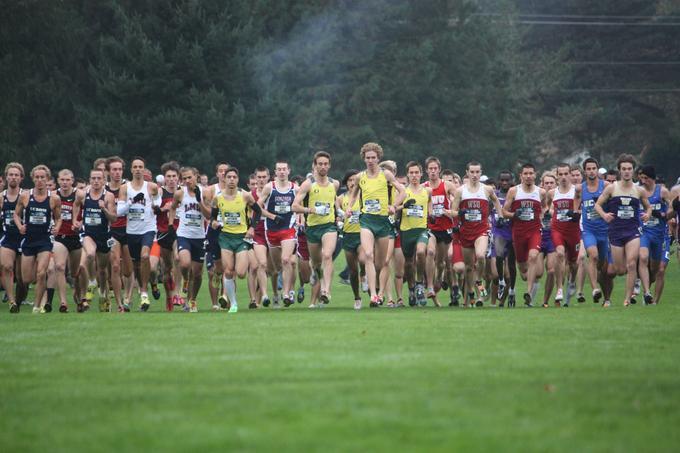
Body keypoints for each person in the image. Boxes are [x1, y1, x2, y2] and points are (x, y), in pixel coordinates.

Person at [346, 142, 405, 307]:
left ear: (378, 158)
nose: (370, 160)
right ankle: (373, 295)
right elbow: (354, 194)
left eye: (373, 158)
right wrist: (350, 207)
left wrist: (393, 206)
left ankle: (379, 291)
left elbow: (403, 192)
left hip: (383, 222)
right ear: (364, 159)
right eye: (367, 158)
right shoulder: (360, 177)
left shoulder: (386, 175)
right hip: (366, 220)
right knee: (368, 255)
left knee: (382, 263)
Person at [594, 154, 652, 307]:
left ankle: (627, 299)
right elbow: (597, 205)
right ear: (620, 171)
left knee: (632, 264)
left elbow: (649, 206)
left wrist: (647, 215)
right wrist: (604, 215)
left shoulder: (639, 190)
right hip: (615, 232)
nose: (627, 171)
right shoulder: (612, 188)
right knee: (619, 270)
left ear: (633, 171)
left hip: (632, 231)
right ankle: (629, 277)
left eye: (629, 169)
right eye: (624, 169)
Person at [451, 161, 503, 307]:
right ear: (467, 172)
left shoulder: (486, 189)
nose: (474, 175)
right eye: (472, 172)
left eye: (477, 172)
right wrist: (459, 214)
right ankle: (469, 294)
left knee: (480, 256)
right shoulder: (461, 191)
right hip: (466, 232)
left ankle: (479, 280)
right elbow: (453, 212)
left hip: (482, 230)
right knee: (468, 267)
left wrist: (500, 217)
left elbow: (497, 202)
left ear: (481, 173)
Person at [212, 167, 262, 313]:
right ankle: (233, 303)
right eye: (229, 177)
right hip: (226, 237)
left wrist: (252, 227)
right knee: (228, 271)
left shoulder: (245, 196)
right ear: (224, 179)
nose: (232, 180)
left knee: (240, 273)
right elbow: (213, 217)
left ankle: (234, 299)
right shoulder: (218, 198)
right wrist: (214, 222)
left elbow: (257, 211)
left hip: (242, 238)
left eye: (234, 177)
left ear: (238, 179)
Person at [292, 151, 339, 305]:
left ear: (329, 165)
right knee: (317, 263)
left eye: (326, 164)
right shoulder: (308, 184)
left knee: (327, 255)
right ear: (315, 165)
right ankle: (315, 272)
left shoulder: (335, 183)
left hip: (329, 226)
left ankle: (326, 290)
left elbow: (334, 202)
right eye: (320, 164)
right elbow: (294, 206)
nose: (323, 167)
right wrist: (309, 210)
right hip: (312, 228)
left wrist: (340, 212)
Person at [14, 165, 62, 313]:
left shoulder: (54, 198)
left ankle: (36, 306)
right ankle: (22, 299)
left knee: (41, 273)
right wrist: (20, 226)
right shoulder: (25, 196)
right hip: (28, 241)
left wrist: (57, 228)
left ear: (47, 179)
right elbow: (16, 214)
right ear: (33, 178)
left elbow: (58, 218)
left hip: (44, 241)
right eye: (37, 177)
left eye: (43, 177)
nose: (40, 180)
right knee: (26, 279)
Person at [116, 157, 161, 311]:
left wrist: (156, 206)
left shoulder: (152, 187)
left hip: (147, 229)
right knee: (135, 265)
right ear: (131, 169)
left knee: (145, 256)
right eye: (135, 167)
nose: (137, 169)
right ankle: (141, 289)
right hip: (131, 230)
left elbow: (158, 204)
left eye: (140, 166)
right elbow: (119, 211)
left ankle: (143, 291)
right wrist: (132, 201)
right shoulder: (125, 188)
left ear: (144, 169)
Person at [73, 168, 118, 311]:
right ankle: (89, 286)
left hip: (104, 235)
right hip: (88, 234)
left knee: (103, 270)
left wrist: (104, 209)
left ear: (104, 180)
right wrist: (76, 220)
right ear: (89, 180)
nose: (96, 181)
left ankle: (103, 295)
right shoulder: (82, 194)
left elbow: (114, 218)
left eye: (99, 178)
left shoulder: (108, 196)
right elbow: (76, 205)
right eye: (93, 178)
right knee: (90, 254)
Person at [503, 163, 547, 307]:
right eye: (525, 173)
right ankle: (529, 283)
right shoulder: (513, 191)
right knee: (523, 270)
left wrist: (542, 215)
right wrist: (514, 215)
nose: (528, 176)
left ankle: (528, 293)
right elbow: (504, 212)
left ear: (535, 175)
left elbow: (544, 207)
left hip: (534, 231)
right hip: (518, 233)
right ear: (521, 176)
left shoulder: (541, 192)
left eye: (531, 173)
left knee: (533, 257)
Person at [170, 167, 212, 312]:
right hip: (183, 234)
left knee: (198, 273)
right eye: (185, 178)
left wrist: (199, 200)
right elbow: (173, 208)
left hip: (199, 236)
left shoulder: (205, 192)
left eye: (190, 177)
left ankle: (192, 300)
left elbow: (208, 216)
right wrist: (170, 224)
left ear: (196, 176)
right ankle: (185, 281)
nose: (187, 181)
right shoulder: (180, 193)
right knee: (185, 264)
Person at [259, 160, 298, 307]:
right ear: (275, 172)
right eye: (279, 169)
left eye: (284, 169)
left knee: (286, 260)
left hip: (288, 228)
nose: (282, 172)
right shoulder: (270, 187)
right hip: (272, 230)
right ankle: (279, 291)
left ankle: (286, 293)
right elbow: (258, 207)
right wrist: (272, 216)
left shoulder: (295, 188)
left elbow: (301, 203)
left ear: (289, 171)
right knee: (276, 267)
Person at [423, 156, 459, 305]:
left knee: (442, 262)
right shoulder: (423, 187)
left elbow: (459, 198)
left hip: (445, 228)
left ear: (439, 169)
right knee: (430, 252)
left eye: (435, 169)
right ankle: (430, 286)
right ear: (426, 171)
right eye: (430, 169)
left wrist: (451, 210)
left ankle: (439, 280)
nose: (433, 171)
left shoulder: (447, 185)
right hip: (430, 228)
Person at [637, 165, 674, 305]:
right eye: (641, 178)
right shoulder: (638, 192)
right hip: (645, 233)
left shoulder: (663, 192)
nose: (643, 181)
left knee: (659, 269)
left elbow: (672, 211)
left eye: (646, 178)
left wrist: (663, 214)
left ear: (652, 178)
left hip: (661, 235)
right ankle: (647, 293)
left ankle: (655, 302)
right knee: (643, 257)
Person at [546, 163, 582, 306]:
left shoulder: (577, 190)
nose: (563, 177)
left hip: (573, 230)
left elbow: (584, 208)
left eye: (565, 174)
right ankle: (560, 288)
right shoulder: (552, 193)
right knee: (560, 254)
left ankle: (572, 281)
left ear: (570, 174)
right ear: (557, 176)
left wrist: (576, 213)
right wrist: (550, 212)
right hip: (557, 229)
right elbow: (548, 207)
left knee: (573, 263)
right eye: (560, 174)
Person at [397, 161, 432, 306]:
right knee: (409, 263)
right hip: (406, 230)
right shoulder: (403, 191)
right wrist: (403, 206)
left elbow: (429, 205)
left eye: (416, 172)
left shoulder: (427, 191)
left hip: (421, 230)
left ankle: (419, 284)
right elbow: (393, 208)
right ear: (407, 174)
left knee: (421, 253)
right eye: (411, 173)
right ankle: (411, 289)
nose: (414, 175)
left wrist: (431, 214)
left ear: (421, 174)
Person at [580, 157, 611, 305]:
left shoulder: (606, 186)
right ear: (584, 171)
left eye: (594, 168)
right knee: (593, 256)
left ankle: (607, 298)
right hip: (589, 230)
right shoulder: (580, 188)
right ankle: (594, 289)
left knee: (603, 269)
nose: (591, 171)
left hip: (604, 231)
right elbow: (574, 203)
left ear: (597, 170)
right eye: (588, 169)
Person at [53, 169, 83, 312]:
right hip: (60, 237)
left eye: (68, 180)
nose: (65, 183)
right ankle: (63, 302)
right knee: (59, 266)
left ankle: (78, 296)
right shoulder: (53, 196)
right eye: (62, 180)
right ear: (58, 181)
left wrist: (80, 223)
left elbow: (89, 212)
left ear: (72, 181)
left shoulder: (79, 195)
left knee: (75, 273)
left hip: (76, 237)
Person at [106, 156, 134, 309]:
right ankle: (119, 303)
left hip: (129, 230)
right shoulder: (104, 189)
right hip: (112, 231)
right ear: (108, 172)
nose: (117, 172)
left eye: (119, 169)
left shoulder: (129, 187)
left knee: (128, 270)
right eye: (114, 170)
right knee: (115, 265)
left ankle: (128, 296)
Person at [202, 162, 230, 309]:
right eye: (221, 171)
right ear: (217, 174)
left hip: (229, 231)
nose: (224, 174)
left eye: (226, 171)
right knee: (213, 271)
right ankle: (214, 304)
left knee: (228, 268)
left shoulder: (237, 192)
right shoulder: (210, 191)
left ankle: (225, 298)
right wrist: (212, 220)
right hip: (213, 232)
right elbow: (206, 212)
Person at [1, 163, 27, 313]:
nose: (13, 177)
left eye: (16, 175)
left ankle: (19, 300)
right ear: (6, 177)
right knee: (6, 267)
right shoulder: (1, 197)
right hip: (8, 237)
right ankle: (11, 301)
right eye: (11, 174)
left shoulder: (26, 195)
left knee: (22, 277)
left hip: (24, 238)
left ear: (21, 178)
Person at [336, 170, 364, 309]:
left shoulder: (364, 195)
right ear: (346, 183)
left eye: (355, 180)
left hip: (362, 234)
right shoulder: (341, 199)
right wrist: (339, 221)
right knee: (353, 271)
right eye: (350, 181)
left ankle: (364, 276)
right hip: (348, 235)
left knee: (364, 259)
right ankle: (357, 297)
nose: (353, 183)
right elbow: (338, 216)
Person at [156, 161, 181, 311]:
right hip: (163, 231)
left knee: (178, 258)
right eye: (168, 176)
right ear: (164, 178)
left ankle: (177, 292)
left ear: (178, 178)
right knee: (166, 269)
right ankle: (169, 296)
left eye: (174, 176)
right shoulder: (160, 192)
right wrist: (161, 209)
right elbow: (152, 209)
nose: (171, 179)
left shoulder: (182, 192)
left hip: (179, 231)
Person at [492, 170, 517, 307]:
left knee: (512, 265)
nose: (504, 183)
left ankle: (512, 291)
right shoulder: (494, 195)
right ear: (498, 180)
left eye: (507, 180)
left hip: (512, 231)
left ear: (511, 180)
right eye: (502, 180)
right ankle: (501, 281)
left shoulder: (515, 194)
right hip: (499, 230)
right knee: (499, 255)